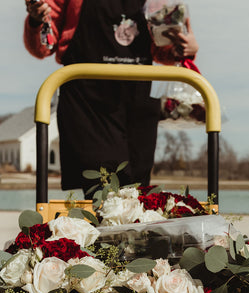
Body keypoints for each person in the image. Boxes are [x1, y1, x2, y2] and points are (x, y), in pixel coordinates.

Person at [24, 0, 199, 197]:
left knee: (137, 195)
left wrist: (184, 48)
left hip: (137, 103)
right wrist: (36, 20)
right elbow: (44, 46)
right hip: (88, 103)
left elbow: (162, 48)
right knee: (103, 191)